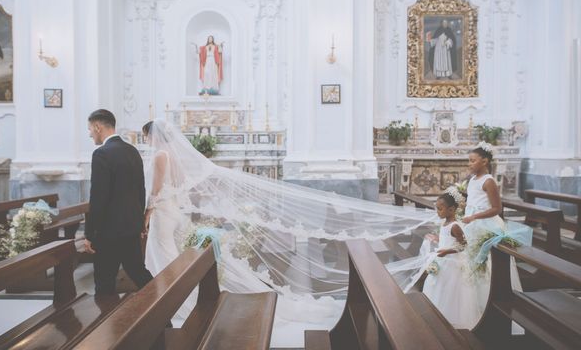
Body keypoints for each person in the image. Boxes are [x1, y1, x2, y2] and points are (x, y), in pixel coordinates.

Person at [140, 119, 438, 347]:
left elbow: (156, 191)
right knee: (173, 257)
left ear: (151, 135)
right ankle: (179, 301)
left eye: (146, 137)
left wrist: (149, 209)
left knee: (167, 257)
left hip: (165, 213)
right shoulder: (176, 157)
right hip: (176, 212)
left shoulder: (160, 157)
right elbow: (182, 186)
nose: (148, 141)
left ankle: (176, 304)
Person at [84, 109, 153, 294]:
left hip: (108, 233)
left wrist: (89, 234)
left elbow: (98, 198)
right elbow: (141, 191)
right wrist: (139, 224)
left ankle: (106, 322)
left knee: (104, 282)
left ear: (98, 127)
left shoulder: (102, 154)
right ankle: (165, 315)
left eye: (90, 129)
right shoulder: (132, 151)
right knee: (139, 273)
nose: (89, 134)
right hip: (130, 228)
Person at [461, 142, 527, 314]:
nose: (469, 164)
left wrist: (474, 216)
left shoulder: (489, 181)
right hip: (472, 224)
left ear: (484, 161)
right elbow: (474, 201)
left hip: (485, 225)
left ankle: (491, 300)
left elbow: (497, 209)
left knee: (488, 262)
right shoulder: (473, 179)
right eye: (469, 160)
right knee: (470, 259)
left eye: (473, 160)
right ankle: (472, 301)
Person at [422, 191, 480, 329]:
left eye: (440, 208)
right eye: (436, 208)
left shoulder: (455, 226)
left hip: (452, 263)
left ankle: (450, 317)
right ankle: (436, 314)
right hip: (443, 260)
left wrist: (447, 251)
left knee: (450, 290)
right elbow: (447, 238)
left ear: (452, 209)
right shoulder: (445, 223)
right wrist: (437, 239)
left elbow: (463, 245)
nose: (437, 211)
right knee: (438, 287)